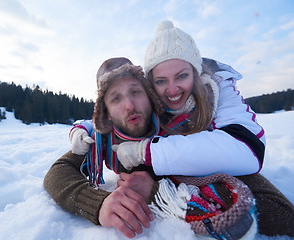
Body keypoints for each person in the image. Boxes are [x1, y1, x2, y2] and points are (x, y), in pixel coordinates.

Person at [69, 21, 294, 237]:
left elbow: (250, 155)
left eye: (182, 76)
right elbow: (67, 164)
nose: (172, 90)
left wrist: (153, 171)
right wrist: (85, 129)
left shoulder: (214, 95)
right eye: (161, 81)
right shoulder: (119, 127)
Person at [44, 57, 257, 239]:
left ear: (149, 95)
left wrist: (157, 191)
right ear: (106, 112)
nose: (129, 105)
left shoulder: (179, 129)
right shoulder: (101, 141)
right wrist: (97, 203)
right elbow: (59, 171)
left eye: (135, 91)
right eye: (115, 98)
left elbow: (269, 200)